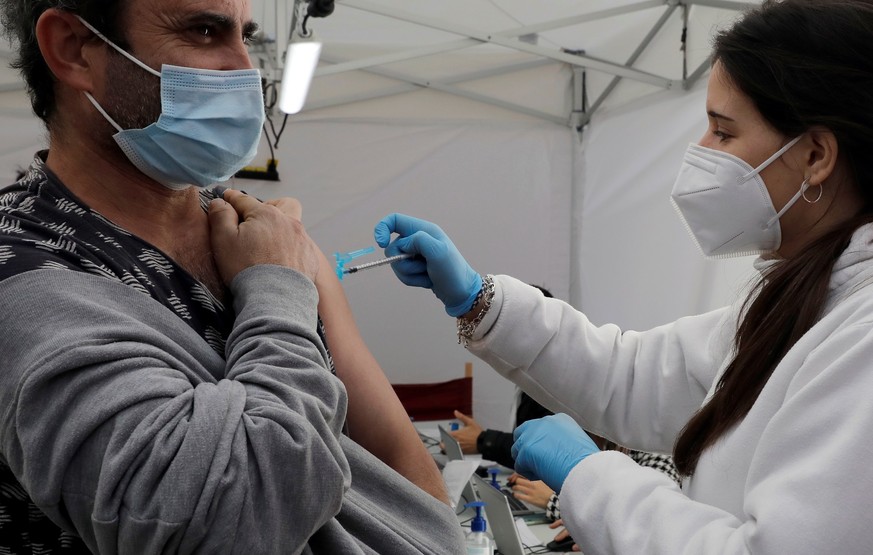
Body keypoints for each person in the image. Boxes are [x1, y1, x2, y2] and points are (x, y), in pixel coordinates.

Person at [373, 1, 873, 552]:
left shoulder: (861, 336)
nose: (701, 153)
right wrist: (478, 299)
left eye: (723, 134)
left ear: (817, 155)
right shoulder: (798, 298)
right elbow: (632, 375)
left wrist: (591, 477)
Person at [0, 0, 464, 552]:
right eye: (202, 31)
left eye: (245, 35)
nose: (246, 69)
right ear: (74, 49)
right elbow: (224, 524)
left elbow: (395, 452)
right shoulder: (28, 264)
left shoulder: (259, 228)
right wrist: (275, 289)